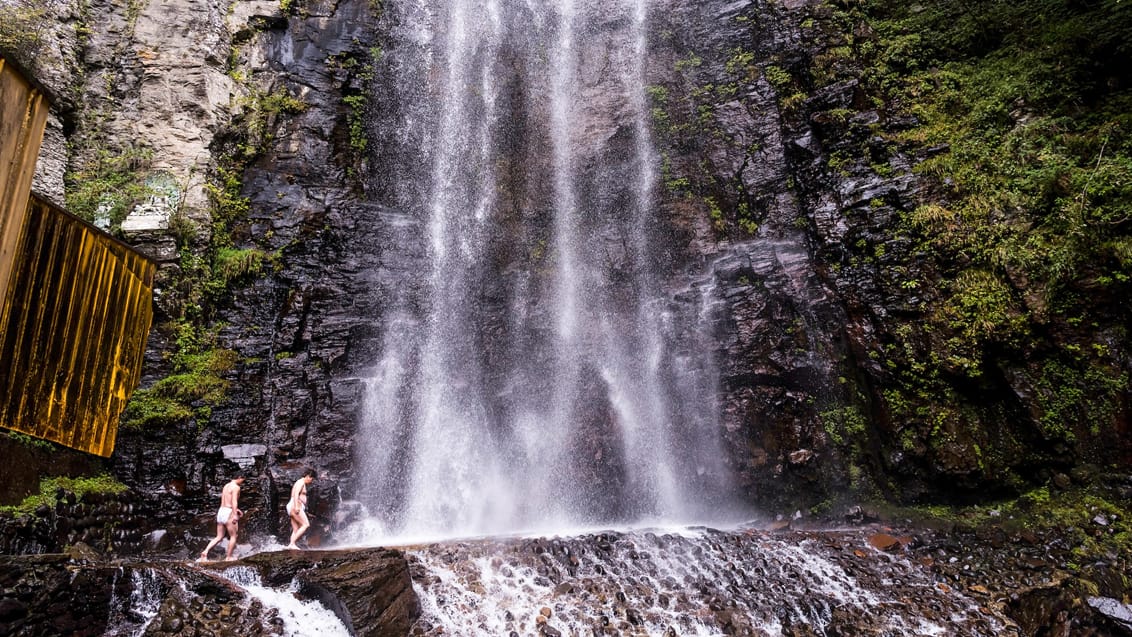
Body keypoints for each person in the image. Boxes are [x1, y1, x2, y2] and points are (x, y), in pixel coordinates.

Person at [200, 475, 244, 561]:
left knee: (219, 536)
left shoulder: (226, 485)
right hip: (229, 512)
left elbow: (226, 500)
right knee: (234, 536)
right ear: (239, 477)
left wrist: (236, 510)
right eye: (242, 480)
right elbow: (234, 501)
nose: (242, 482)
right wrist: (235, 514)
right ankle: (229, 557)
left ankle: (205, 552)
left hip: (221, 511)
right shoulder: (236, 487)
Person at [286, 468, 316, 549]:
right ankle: (292, 544)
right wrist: (296, 506)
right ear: (308, 476)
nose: (311, 481)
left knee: (296, 528)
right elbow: (296, 494)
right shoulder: (301, 482)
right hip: (295, 505)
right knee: (306, 524)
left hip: (292, 505)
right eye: (312, 479)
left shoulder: (300, 482)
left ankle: (291, 545)